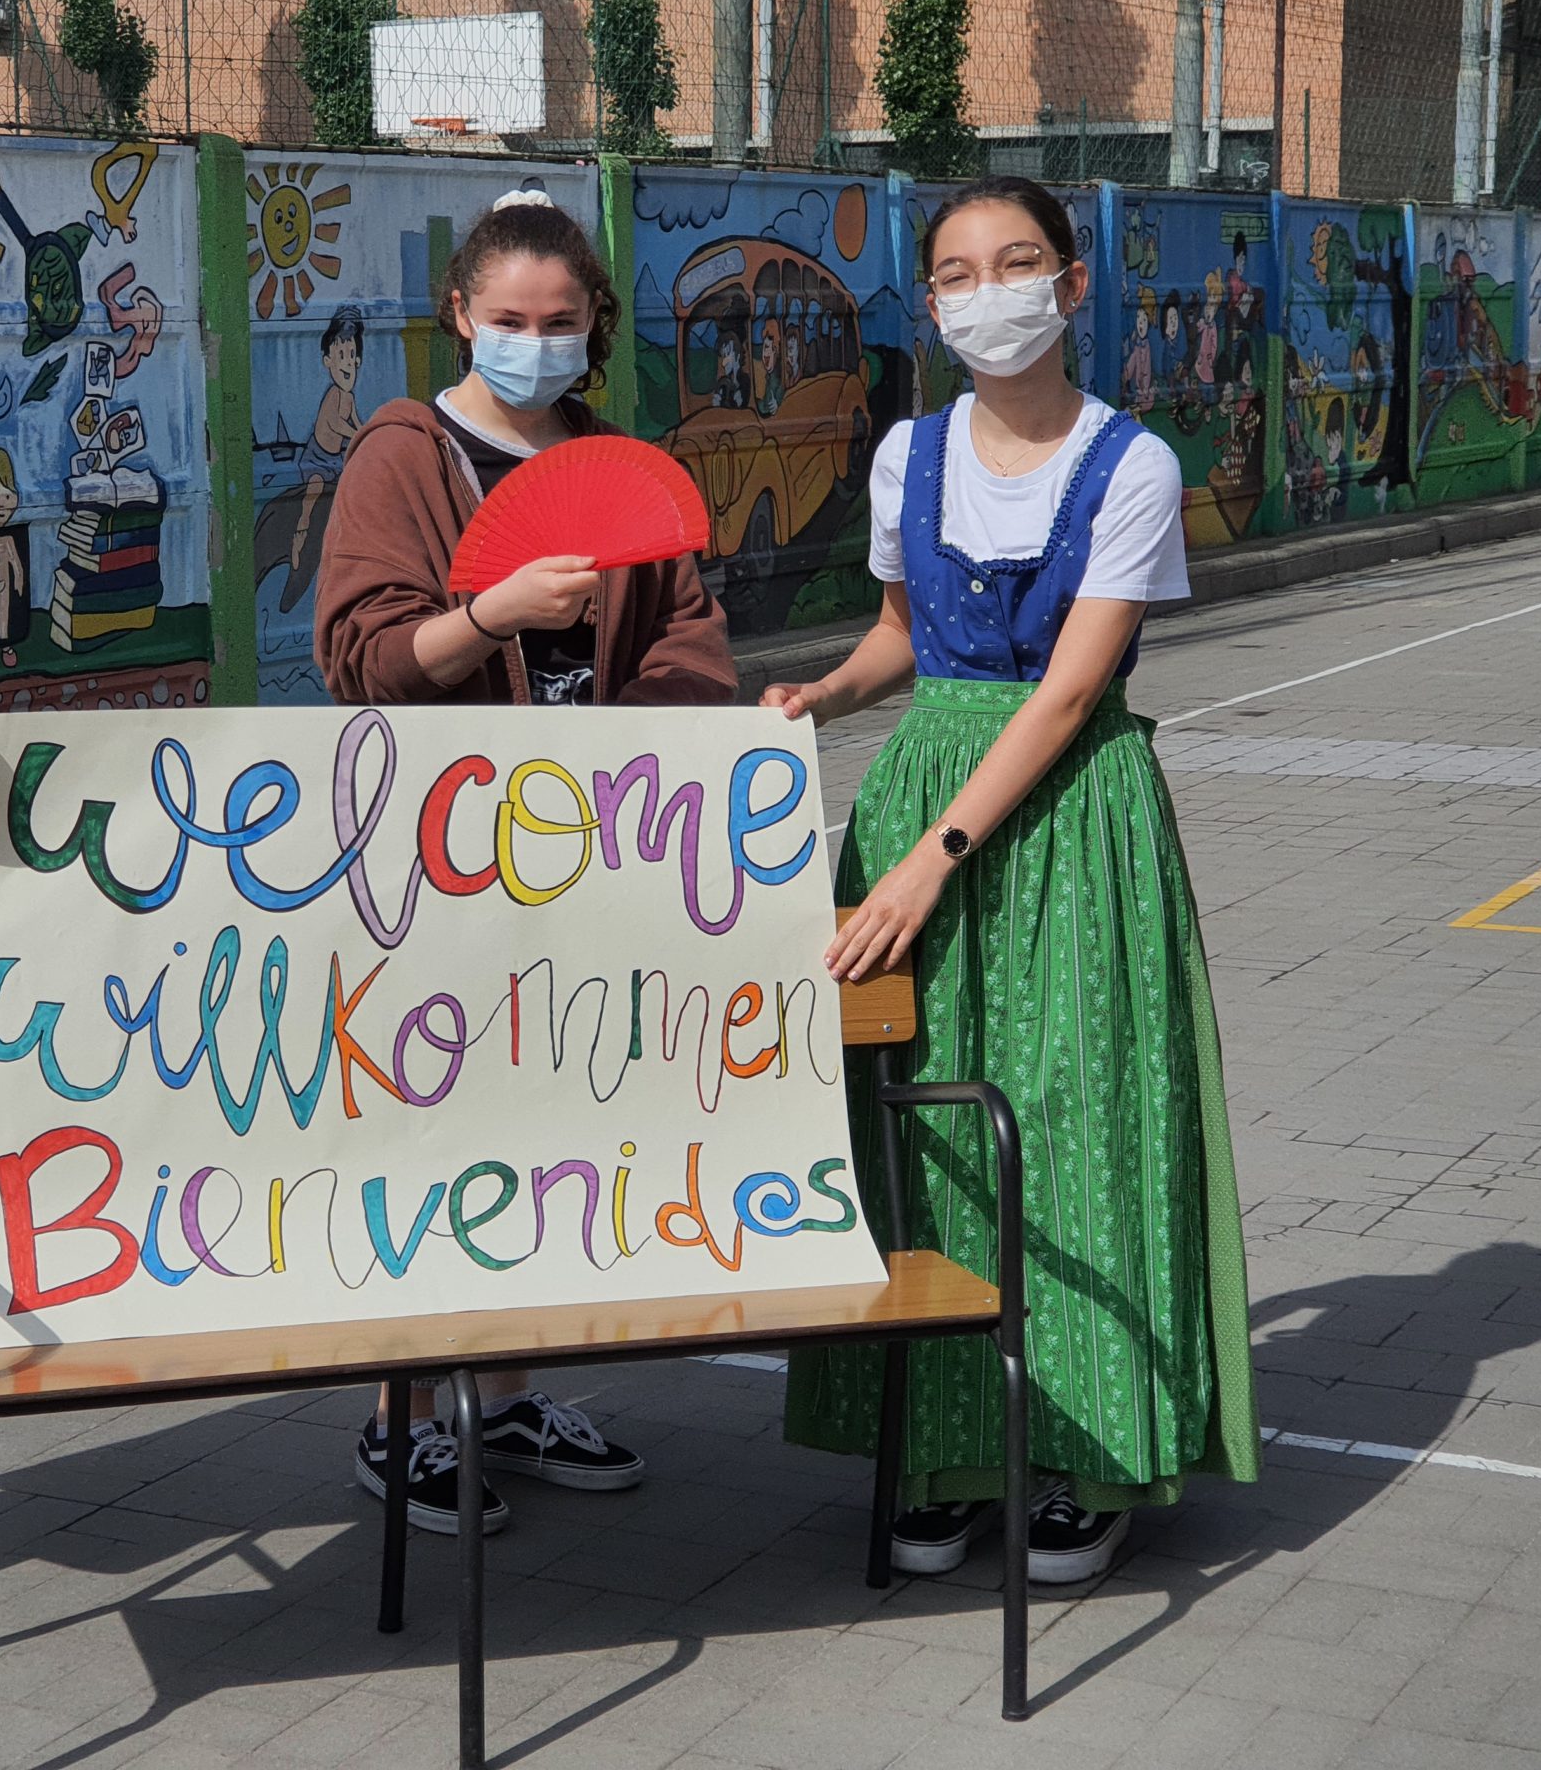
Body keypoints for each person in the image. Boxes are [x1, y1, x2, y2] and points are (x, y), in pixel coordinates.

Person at [769, 175, 1257, 1587]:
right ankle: (942, 1451)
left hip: (1068, 816)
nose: (991, 293)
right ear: (930, 304)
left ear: (1072, 284)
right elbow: (902, 638)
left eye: (1020, 262)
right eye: (960, 273)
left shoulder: (1136, 465)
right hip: (926, 789)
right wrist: (818, 697)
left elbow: (1065, 695)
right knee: (919, 1122)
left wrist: (929, 864)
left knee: (1073, 1117)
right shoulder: (905, 455)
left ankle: (1086, 1458)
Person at [314, 188, 736, 1531]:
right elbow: (362, 661)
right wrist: (490, 612)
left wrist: (630, 749)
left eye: (560, 321)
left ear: (593, 321)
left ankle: (501, 1398)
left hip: (583, 864)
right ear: (460, 314)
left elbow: (689, 649)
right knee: (428, 1135)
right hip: (434, 865)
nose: (535, 342)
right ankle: (400, 1419)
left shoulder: (619, 462)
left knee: (548, 1136)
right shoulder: (402, 453)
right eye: (509, 318)